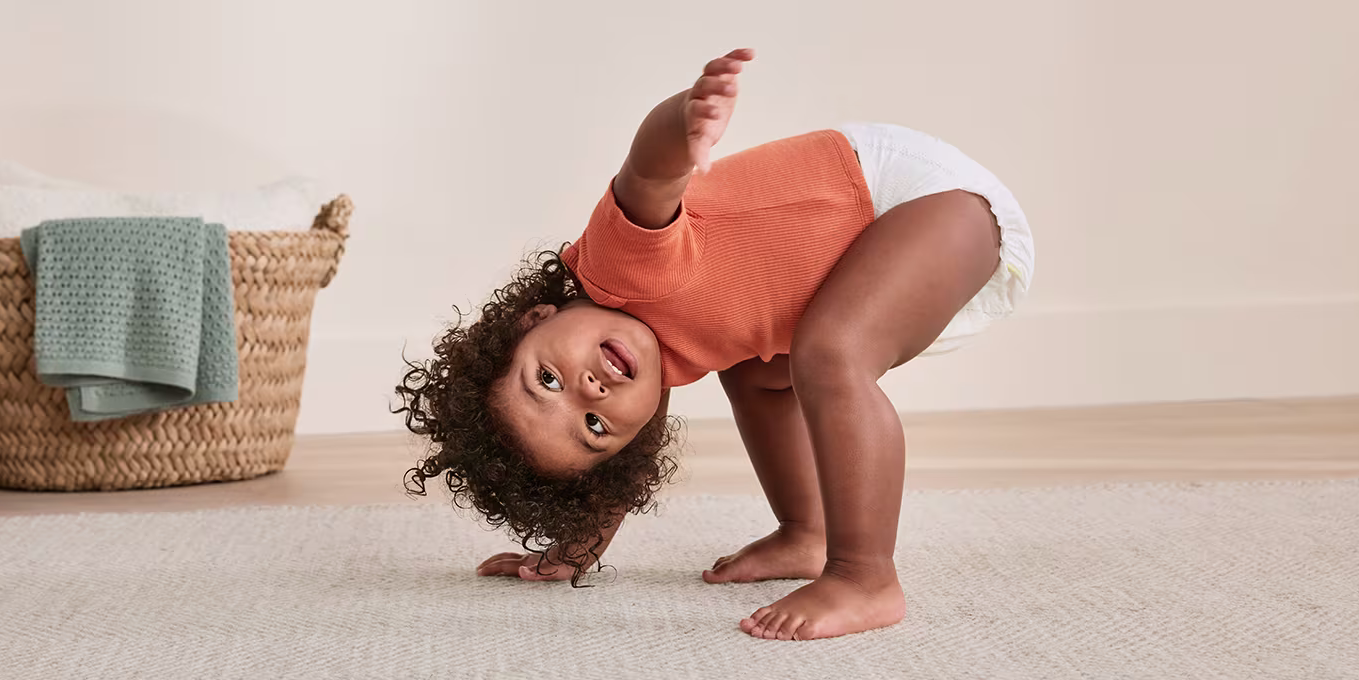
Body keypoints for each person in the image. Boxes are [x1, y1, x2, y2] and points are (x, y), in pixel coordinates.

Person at [396, 48, 1034, 640]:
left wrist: (684, 120)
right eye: (594, 427)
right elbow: (624, 461)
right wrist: (578, 548)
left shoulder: (618, 266)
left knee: (829, 354)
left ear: (531, 319)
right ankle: (805, 532)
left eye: (549, 381)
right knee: (758, 375)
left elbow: (647, 174)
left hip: (922, 198)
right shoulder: (655, 357)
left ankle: (865, 575)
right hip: (887, 244)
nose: (591, 392)